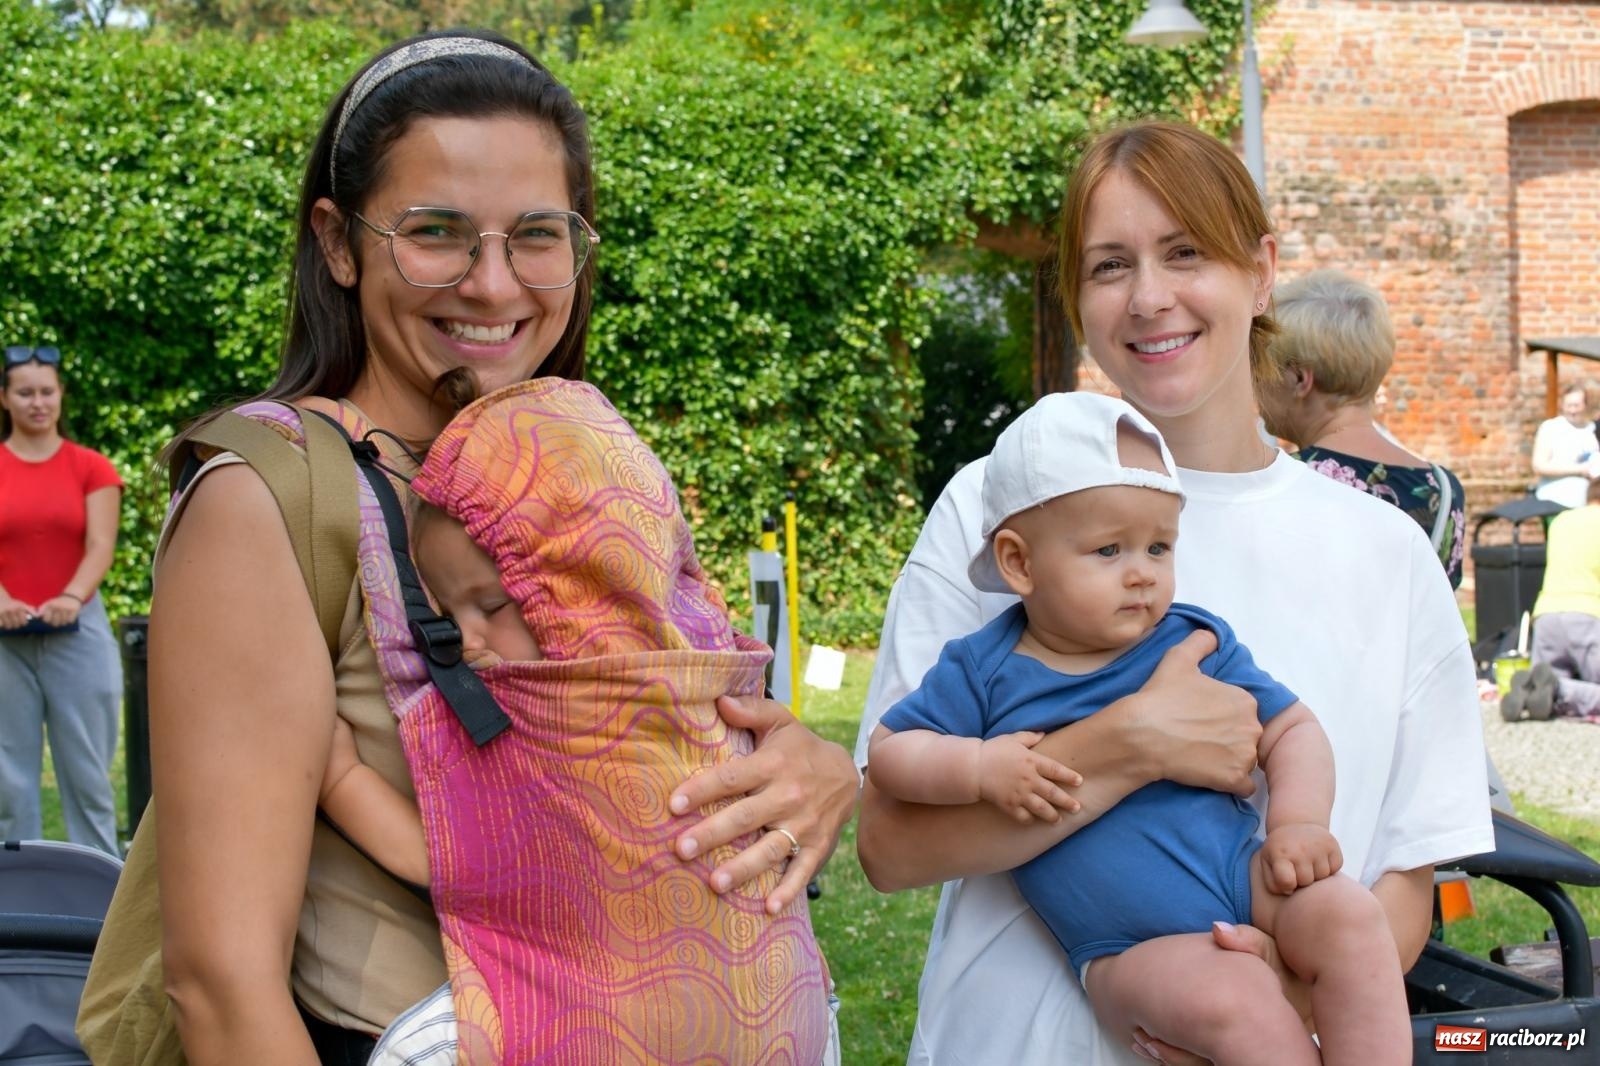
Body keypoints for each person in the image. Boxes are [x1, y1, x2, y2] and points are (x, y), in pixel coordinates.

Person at [144, 31, 856, 1065]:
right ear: (338, 243)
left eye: (536, 235)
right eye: (435, 232)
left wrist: (815, 769)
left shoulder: (577, 462)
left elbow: (679, 708)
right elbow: (220, 985)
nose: (492, 284)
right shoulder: (269, 499)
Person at [854, 119, 1494, 1066]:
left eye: (1185, 252)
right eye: (1110, 266)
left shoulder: (1382, 550)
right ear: (1078, 299)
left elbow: (1403, 880)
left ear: (1261, 270)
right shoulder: (997, 508)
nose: (1150, 297)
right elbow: (892, 848)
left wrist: (1264, 1008)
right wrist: (1132, 744)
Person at [868, 391, 1409, 1064]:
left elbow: (1293, 727)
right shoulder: (984, 670)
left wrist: (1299, 823)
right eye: (1108, 550)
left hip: (1244, 877)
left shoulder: (1193, 638)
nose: (1142, 575)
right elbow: (891, 753)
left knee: (1351, 919)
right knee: (1234, 998)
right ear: (1018, 562)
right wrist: (976, 768)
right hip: (1127, 947)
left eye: (1159, 547)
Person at [319, 377, 830, 1063]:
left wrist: (339, 774)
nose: (465, 643)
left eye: (492, 608)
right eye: (447, 615)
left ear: (584, 583)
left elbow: (442, 856)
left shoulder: (561, 744)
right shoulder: (707, 671)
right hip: (788, 1022)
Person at [1254, 270, 1466, 589]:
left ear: (1299, 380)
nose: (1255, 383)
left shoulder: (1284, 479)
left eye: (1261, 368)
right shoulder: (1443, 488)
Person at [0, 345, 123, 855]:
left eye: (46, 391)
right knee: (8, 786)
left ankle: (98, 904)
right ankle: (16, 907)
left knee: (89, 780)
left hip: (77, 631)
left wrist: (71, 597)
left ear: (60, 396)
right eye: (24, 393)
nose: (37, 402)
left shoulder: (90, 467)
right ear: (5, 399)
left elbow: (100, 544)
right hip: (5, 639)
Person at [1502, 476, 1600, 721]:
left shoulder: (1561, 521)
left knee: (1543, 683)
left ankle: (1534, 692)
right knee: (1574, 686)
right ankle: (1560, 690)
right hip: (1587, 616)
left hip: (1546, 616)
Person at [1530, 384, 1599, 511]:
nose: (1572, 410)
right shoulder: (1551, 428)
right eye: (1569, 405)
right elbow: (1538, 466)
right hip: (1554, 501)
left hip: (1586, 505)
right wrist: (1579, 469)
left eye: (1576, 405)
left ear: (1586, 405)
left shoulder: (1593, 430)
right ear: (1562, 405)